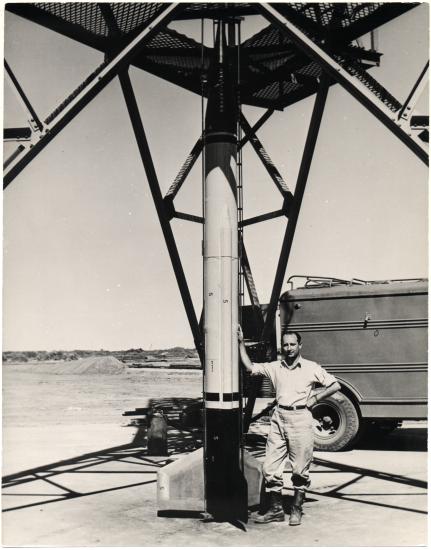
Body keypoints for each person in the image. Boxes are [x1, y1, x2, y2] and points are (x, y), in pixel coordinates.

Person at [238, 326, 341, 525]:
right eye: (285, 345)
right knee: (270, 466)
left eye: (293, 344)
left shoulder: (311, 367)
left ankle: (296, 509)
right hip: (279, 418)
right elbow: (250, 367)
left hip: (301, 418)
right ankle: (276, 510)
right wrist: (241, 343)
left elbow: (335, 384)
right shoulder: (276, 367)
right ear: (281, 347)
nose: (289, 348)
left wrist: (316, 397)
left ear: (299, 346)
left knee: (299, 469)